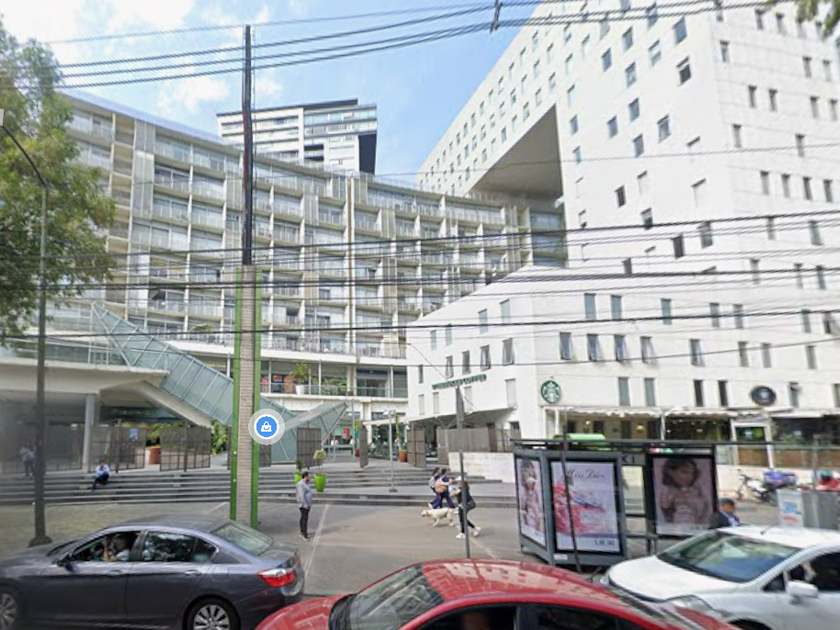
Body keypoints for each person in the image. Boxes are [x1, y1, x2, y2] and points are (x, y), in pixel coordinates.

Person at [659, 458, 711, 528]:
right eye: (684, 472)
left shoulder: (698, 490)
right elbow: (665, 509)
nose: (689, 477)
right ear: (671, 472)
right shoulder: (666, 491)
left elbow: (707, 510)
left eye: (692, 473)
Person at [296, 470, 313, 540]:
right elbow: (301, 495)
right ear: (305, 476)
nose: (310, 477)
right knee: (304, 519)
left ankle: (302, 531)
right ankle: (304, 534)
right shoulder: (301, 484)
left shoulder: (305, 483)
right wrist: (305, 504)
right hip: (303, 505)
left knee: (303, 518)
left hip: (307, 504)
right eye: (309, 476)